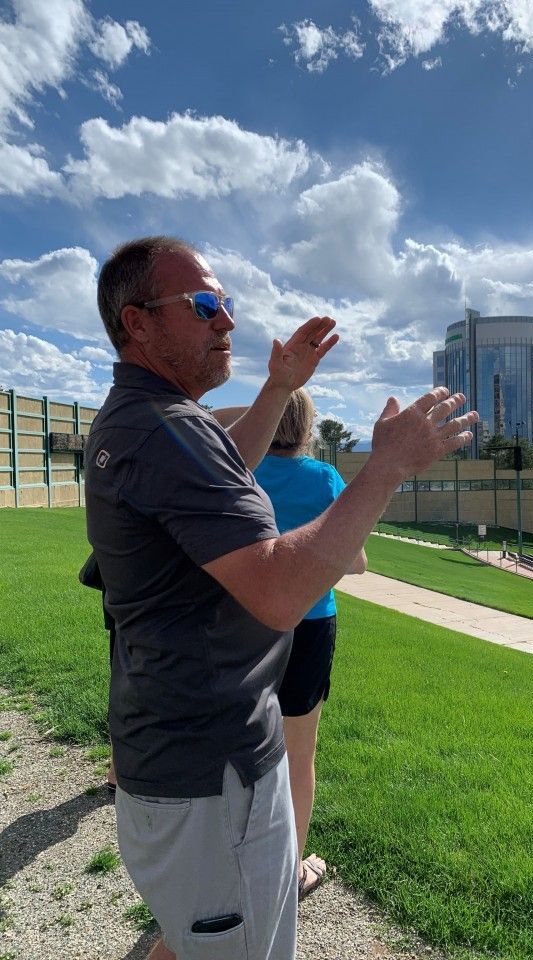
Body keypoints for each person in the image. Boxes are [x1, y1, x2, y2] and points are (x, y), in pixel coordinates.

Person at [84, 235, 477, 960]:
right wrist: (387, 465)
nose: (226, 320)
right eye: (205, 305)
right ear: (137, 323)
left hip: (183, 755)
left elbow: (222, 472)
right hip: (211, 773)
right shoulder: (164, 429)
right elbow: (278, 593)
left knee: (191, 939)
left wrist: (274, 388)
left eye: (226, 305)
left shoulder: (149, 420)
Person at [252, 389, 366, 900]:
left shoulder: (241, 470)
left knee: (244, 745)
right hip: (312, 623)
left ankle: (238, 856)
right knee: (300, 751)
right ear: (308, 429)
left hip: (246, 623)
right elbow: (356, 560)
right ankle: (292, 869)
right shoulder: (323, 478)